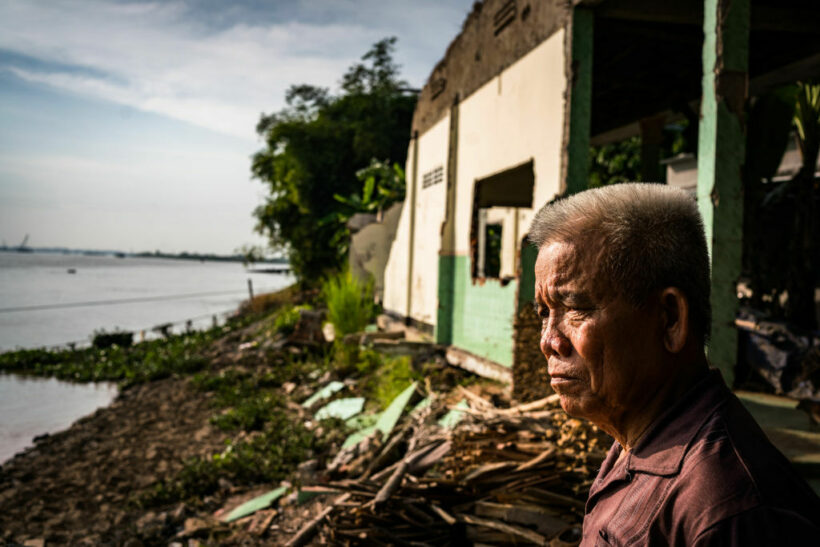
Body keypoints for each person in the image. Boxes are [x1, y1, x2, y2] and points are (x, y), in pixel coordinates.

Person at [529, 183, 820, 545]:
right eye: (544, 312)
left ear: (669, 319)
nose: (548, 341)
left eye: (575, 309)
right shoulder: (638, 436)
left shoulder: (726, 511)